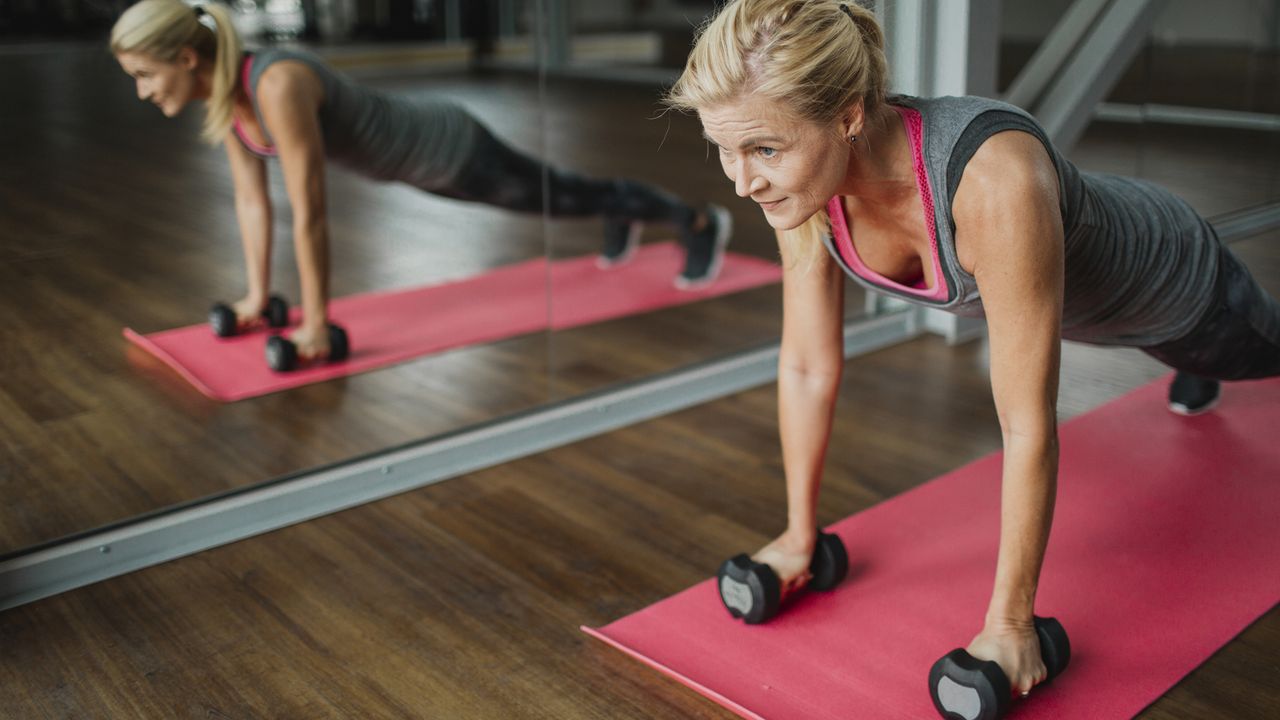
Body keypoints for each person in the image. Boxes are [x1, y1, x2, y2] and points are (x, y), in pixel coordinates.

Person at [666, 0, 1280, 699]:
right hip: (1076, 313)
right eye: (724, 148)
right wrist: (798, 538)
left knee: (1255, 354)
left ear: (847, 115)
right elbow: (807, 366)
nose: (742, 180)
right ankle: (1193, 371)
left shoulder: (993, 180)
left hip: (1173, 285)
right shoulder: (799, 185)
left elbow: (1025, 425)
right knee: (1180, 359)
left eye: (763, 150)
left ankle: (1201, 365)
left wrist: (1012, 625)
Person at [111, 0, 732, 360]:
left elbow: (309, 210)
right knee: (564, 195)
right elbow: (252, 203)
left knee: (566, 194)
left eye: (144, 74)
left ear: (187, 59)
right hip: (419, 167)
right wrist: (254, 301)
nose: (142, 90)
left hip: (451, 149)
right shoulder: (227, 102)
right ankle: (619, 211)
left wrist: (315, 325)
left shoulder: (276, 84)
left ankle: (698, 218)